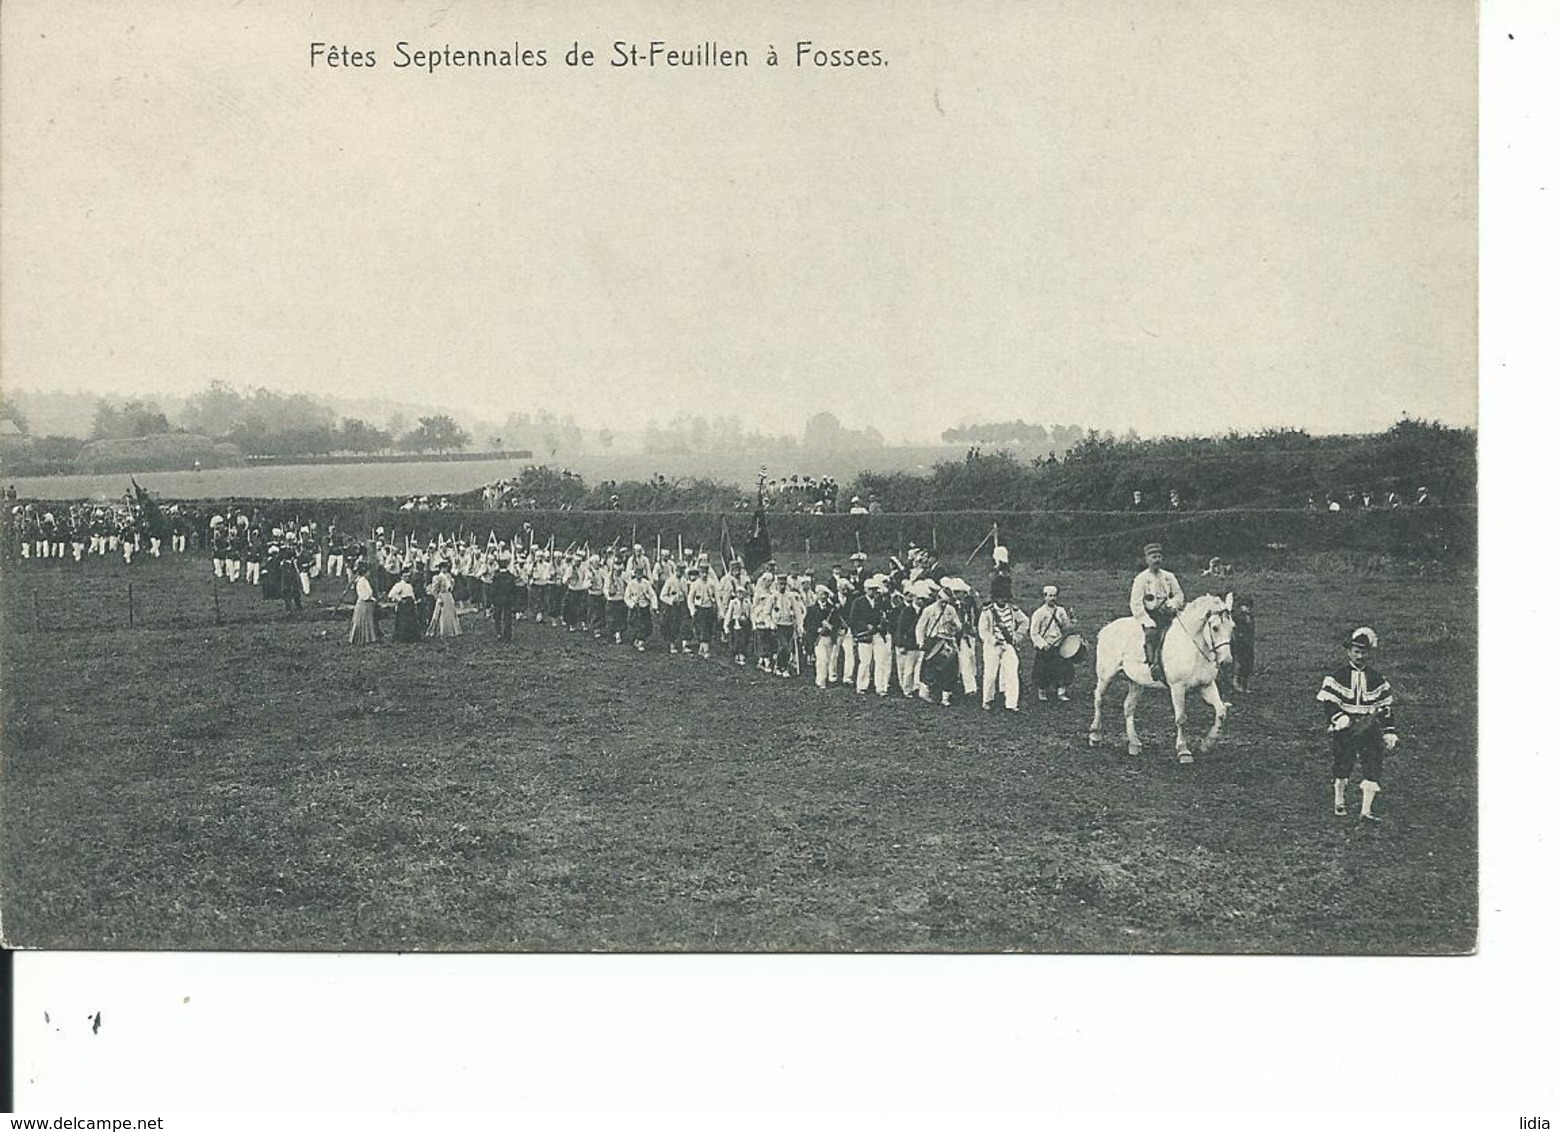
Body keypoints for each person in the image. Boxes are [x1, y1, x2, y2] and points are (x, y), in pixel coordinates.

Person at [1317, 627, 1399, 821]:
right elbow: (1329, 704)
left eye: (1364, 652)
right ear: (1349, 652)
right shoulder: (1337, 677)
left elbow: (1385, 707)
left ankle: (1366, 810)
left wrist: (1389, 730)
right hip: (1346, 728)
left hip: (1369, 727)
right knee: (1342, 763)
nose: (1360, 656)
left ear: (1369, 653)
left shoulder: (1377, 679)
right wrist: (1338, 718)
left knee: (1372, 764)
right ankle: (1339, 801)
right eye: (1356, 652)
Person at [1130, 542, 1184, 683]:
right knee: (1152, 634)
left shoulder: (1169, 577)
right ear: (1147, 559)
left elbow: (1179, 595)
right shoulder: (1141, 579)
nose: (1156, 560)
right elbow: (1136, 603)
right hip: (1150, 615)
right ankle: (1153, 665)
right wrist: (1147, 620)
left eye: (1159, 557)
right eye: (1153, 557)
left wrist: (1171, 605)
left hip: (1168, 614)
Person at [978, 574, 1026, 711]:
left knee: (1012, 673)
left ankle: (1011, 703)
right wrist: (992, 639)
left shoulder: (1013, 610)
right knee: (990, 674)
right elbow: (983, 630)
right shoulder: (987, 611)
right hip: (992, 647)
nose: (1002, 600)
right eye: (1000, 597)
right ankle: (987, 699)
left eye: (1004, 597)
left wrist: (1017, 636)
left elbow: (1024, 622)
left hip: (1008, 645)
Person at [1029, 585, 1076, 702]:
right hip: (1046, 646)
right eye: (1050, 596)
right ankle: (1042, 691)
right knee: (1043, 670)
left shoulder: (1060, 610)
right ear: (1045, 597)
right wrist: (1042, 644)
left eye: (1054, 596)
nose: (1052, 598)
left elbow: (1066, 627)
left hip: (1059, 645)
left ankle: (1061, 691)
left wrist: (1071, 620)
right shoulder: (1039, 613)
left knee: (1064, 668)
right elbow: (1034, 632)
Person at [1229, 593, 1256, 692]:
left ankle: (1244, 685)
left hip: (1248, 643)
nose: (1246, 608)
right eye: (1244, 606)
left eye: (1248, 606)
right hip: (1240, 643)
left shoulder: (1250, 617)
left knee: (1248, 664)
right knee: (1239, 664)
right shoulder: (1237, 616)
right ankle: (1236, 683)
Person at [429, 560, 462, 637]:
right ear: (440, 568)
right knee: (442, 613)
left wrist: (452, 584)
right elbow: (434, 590)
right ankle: (442, 630)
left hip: (448, 595)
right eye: (443, 568)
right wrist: (438, 598)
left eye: (446, 568)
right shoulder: (437, 577)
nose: (445, 569)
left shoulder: (448, 576)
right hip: (442, 595)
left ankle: (453, 630)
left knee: (451, 612)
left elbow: (451, 586)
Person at [348, 563, 379, 645]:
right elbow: (364, 594)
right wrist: (370, 598)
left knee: (367, 621)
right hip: (364, 603)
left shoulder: (365, 580)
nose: (369, 573)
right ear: (365, 572)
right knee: (361, 621)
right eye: (368, 572)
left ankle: (368, 638)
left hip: (368, 603)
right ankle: (360, 638)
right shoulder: (361, 581)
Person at [388, 569, 422, 643]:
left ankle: (412, 637)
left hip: (410, 604)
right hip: (404, 605)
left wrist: (415, 602)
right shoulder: (399, 585)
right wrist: (399, 599)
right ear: (401, 577)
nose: (407, 578)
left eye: (408, 576)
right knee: (403, 621)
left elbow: (412, 595)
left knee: (412, 621)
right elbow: (391, 594)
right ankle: (403, 638)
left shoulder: (409, 585)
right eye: (405, 576)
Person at [490, 555, 517, 642]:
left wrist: (492, 599)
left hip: (498, 600)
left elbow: (493, 590)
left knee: (497, 617)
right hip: (508, 599)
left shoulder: (496, 577)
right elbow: (514, 589)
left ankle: (499, 633)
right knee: (507, 617)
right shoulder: (511, 576)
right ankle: (507, 635)